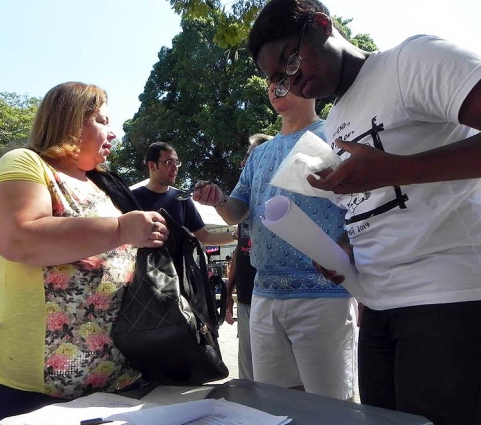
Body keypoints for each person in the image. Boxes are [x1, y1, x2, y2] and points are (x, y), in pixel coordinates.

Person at [248, 1, 481, 424]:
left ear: (322, 24)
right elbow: (370, 206)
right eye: (279, 79)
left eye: (291, 60)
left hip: (448, 296)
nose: (293, 80)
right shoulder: (336, 121)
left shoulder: (411, 61)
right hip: (375, 307)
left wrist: (402, 170)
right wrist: (340, 249)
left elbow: (394, 177)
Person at [0, 81, 169, 424]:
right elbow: (18, 237)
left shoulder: (106, 185)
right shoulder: (27, 163)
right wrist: (123, 229)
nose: (113, 133)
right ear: (70, 119)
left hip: (121, 378)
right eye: (102, 121)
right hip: (34, 386)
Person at [194, 90, 356, 400]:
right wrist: (219, 200)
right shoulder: (259, 153)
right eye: (270, 78)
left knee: (332, 407)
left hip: (323, 291)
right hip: (264, 294)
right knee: (275, 401)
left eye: (283, 77)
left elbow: (359, 203)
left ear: (309, 83)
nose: (273, 85)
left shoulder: (334, 135)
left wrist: (348, 247)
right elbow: (237, 209)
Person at [223, 133, 271, 380]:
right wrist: (229, 291)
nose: (245, 163)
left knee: (271, 373)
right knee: (247, 371)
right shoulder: (242, 204)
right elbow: (238, 251)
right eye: (246, 156)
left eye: (250, 156)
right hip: (245, 297)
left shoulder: (273, 200)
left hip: (271, 297)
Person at [132, 142, 235, 246]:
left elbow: (205, 237)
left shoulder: (182, 198)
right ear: (152, 166)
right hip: (141, 261)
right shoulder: (132, 197)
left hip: (176, 262)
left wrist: (236, 236)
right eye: (168, 162)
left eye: (176, 163)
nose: (175, 168)